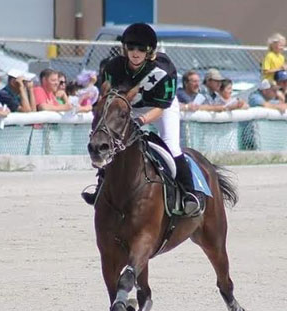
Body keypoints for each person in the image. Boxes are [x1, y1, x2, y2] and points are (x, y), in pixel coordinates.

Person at [81, 22, 201, 216]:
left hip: (160, 107)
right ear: (124, 49)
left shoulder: (165, 69)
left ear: (150, 51)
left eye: (141, 49)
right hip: (128, 106)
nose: (135, 53)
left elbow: (162, 107)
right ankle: (100, 187)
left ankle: (189, 194)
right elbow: (110, 101)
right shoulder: (113, 67)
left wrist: (141, 121)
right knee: (112, 142)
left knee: (171, 145)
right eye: (131, 47)